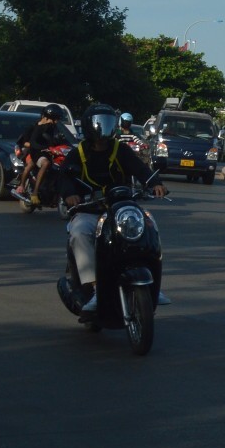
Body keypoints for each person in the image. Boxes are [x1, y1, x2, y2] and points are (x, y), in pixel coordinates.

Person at [57, 106, 164, 318]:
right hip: (90, 209)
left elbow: (140, 169)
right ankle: (95, 290)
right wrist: (70, 194)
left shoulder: (120, 149)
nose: (102, 129)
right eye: (98, 123)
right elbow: (63, 177)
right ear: (89, 126)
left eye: (106, 123)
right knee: (78, 232)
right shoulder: (78, 153)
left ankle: (155, 285)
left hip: (120, 208)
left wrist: (155, 183)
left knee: (149, 225)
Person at [13, 105, 71, 202]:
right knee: (35, 164)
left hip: (45, 152)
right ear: (46, 117)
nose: (56, 122)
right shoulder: (34, 127)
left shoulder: (52, 127)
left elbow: (55, 140)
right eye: (54, 119)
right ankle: (25, 188)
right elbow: (27, 142)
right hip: (33, 152)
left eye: (57, 119)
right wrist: (43, 147)